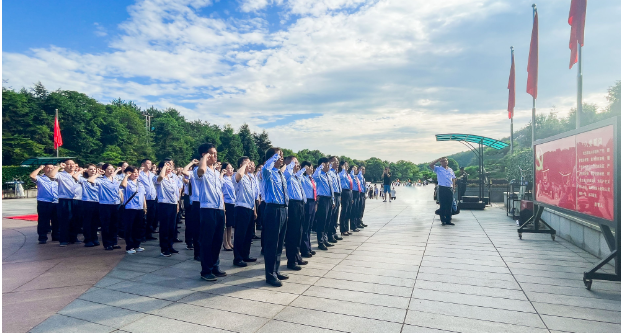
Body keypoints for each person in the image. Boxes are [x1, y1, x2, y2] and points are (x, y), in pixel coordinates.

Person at [196, 143, 227, 282]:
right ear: (205, 155)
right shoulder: (200, 169)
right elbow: (201, 170)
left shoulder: (216, 172)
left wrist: (223, 209)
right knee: (207, 240)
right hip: (207, 209)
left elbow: (220, 192)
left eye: (216, 153)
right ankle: (206, 270)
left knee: (217, 240)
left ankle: (215, 266)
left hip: (219, 209)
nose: (215, 156)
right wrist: (205, 158)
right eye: (212, 153)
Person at [261, 147, 290, 287]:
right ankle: (270, 275)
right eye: (279, 156)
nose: (281, 158)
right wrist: (273, 157)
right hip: (273, 210)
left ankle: (276, 270)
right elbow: (266, 169)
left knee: (279, 244)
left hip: (283, 209)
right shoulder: (268, 173)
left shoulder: (280, 173)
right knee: (271, 244)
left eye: (282, 155)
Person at [231, 157, 258, 267]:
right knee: (240, 234)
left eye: (250, 163)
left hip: (250, 208)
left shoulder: (251, 177)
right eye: (246, 163)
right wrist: (243, 166)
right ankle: (237, 258)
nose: (249, 165)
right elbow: (238, 176)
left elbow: (253, 196)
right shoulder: (238, 175)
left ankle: (245, 255)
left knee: (248, 234)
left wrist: (255, 210)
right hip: (241, 207)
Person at [90, 164, 123, 250]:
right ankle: (107, 243)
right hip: (105, 205)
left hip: (116, 204)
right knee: (106, 225)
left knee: (115, 225)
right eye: (108, 169)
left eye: (112, 169)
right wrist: (98, 174)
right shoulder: (101, 180)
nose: (111, 170)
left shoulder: (116, 179)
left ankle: (114, 242)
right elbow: (90, 180)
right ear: (104, 170)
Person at [48, 159, 81, 246]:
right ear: (65, 165)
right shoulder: (60, 174)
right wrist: (59, 167)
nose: (71, 166)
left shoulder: (79, 175)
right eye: (69, 164)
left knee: (76, 220)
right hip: (65, 200)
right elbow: (51, 175)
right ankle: (63, 240)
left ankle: (73, 238)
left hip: (77, 199)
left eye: (73, 164)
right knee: (64, 220)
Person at [283, 156, 307, 271]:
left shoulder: (295, 177)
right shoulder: (286, 175)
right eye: (295, 162)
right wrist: (291, 164)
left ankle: (297, 256)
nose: (297, 164)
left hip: (300, 204)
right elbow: (288, 170)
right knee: (292, 234)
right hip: (293, 205)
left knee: (299, 232)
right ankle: (291, 260)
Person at [154, 160, 181, 256]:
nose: (169, 168)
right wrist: (164, 167)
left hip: (173, 204)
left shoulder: (172, 178)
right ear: (161, 168)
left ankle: (170, 245)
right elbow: (160, 177)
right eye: (166, 166)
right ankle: (164, 248)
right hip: (164, 204)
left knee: (171, 227)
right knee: (164, 227)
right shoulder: (157, 178)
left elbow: (176, 193)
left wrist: (177, 204)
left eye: (170, 166)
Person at [30, 164, 60, 244]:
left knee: (56, 220)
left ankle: (56, 236)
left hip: (56, 201)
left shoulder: (57, 177)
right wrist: (39, 168)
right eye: (48, 168)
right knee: (43, 220)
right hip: (44, 202)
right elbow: (32, 176)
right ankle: (42, 237)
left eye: (52, 168)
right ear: (44, 169)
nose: (50, 169)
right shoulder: (40, 178)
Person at [120, 166, 147, 254]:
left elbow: (143, 196)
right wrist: (126, 176)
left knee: (138, 227)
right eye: (134, 172)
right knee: (129, 228)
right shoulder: (127, 182)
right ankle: (129, 246)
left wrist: (145, 206)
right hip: (130, 208)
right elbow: (123, 185)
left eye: (137, 172)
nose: (136, 174)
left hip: (139, 208)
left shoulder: (140, 183)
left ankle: (137, 244)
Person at [73, 164, 100, 247]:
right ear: (87, 171)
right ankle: (88, 239)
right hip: (87, 202)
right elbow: (74, 176)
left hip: (97, 202)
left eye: (94, 169)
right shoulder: (83, 179)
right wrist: (81, 170)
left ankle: (94, 238)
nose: (93, 171)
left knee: (95, 222)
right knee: (87, 222)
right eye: (90, 169)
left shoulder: (99, 179)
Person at [313, 157, 335, 251]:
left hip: (329, 199)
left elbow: (332, 189)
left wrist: (333, 200)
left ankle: (325, 239)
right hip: (322, 200)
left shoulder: (328, 175)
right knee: (322, 221)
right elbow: (315, 177)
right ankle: (320, 241)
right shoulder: (319, 175)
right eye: (327, 164)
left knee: (327, 221)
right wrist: (320, 167)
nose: (328, 166)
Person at [182, 159, 201, 260]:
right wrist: (192, 163)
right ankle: (197, 253)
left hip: (206, 203)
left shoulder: (209, 171)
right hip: (195, 202)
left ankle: (203, 251)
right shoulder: (194, 172)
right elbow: (184, 171)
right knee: (196, 228)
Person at [429, 157, 456, 226]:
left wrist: (454, 187)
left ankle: (448, 220)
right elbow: (431, 165)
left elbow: (453, 179)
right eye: (443, 161)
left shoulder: (450, 170)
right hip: (442, 188)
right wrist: (437, 159)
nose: (445, 162)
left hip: (449, 188)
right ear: (440, 162)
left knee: (449, 205)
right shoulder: (438, 169)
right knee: (443, 204)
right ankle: (443, 220)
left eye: (446, 161)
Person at [299, 161, 317, 258]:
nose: (312, 169)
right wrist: (303, 169)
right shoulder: (302, 177)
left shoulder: (311, 179)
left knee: (309, 226)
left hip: (312, 202)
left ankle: (308, 247)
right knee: (305, 227)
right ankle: (304, 249)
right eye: (310, 167)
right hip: (306, 203)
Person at [139, 159, 158, 241]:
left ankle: (149, 233)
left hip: (152, 198)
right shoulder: (140, 174)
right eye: (147, 164)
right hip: (145, 198)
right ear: (143, 164)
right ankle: (142, 235)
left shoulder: (152, 174)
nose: (149, 165)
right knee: (144, 218)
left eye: (150, 164)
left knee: (151, 217)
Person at [327, 156, 342, 243]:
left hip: (338, 195)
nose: (337, 163)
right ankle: (330, 234)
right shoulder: (330, 173)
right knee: (331, 216)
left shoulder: (336, 173)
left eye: (337, 161)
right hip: (333, 195)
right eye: (335, 161)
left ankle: (334, 231)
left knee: (336, 215)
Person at [221, 162, 236, 251]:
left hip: (233, 203)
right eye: (228, 168)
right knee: (226, 224)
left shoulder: (232, 179)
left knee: (230, 224)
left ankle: (229, 241)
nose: (230, 170)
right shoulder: (223, 179)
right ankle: (225, 243)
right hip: (226, 202)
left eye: (231, 168)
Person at [338, 161, 353, 236]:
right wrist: (343, 169)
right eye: (345, 165)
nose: (347, 166)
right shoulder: (341, 174)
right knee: (344, 210)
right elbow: (341, 177)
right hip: (344, 192)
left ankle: (347, 228)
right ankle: (343, 229)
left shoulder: (348, 174)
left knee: (348, 211)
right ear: (341, 166)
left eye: (347, 165)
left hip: (349, 192)